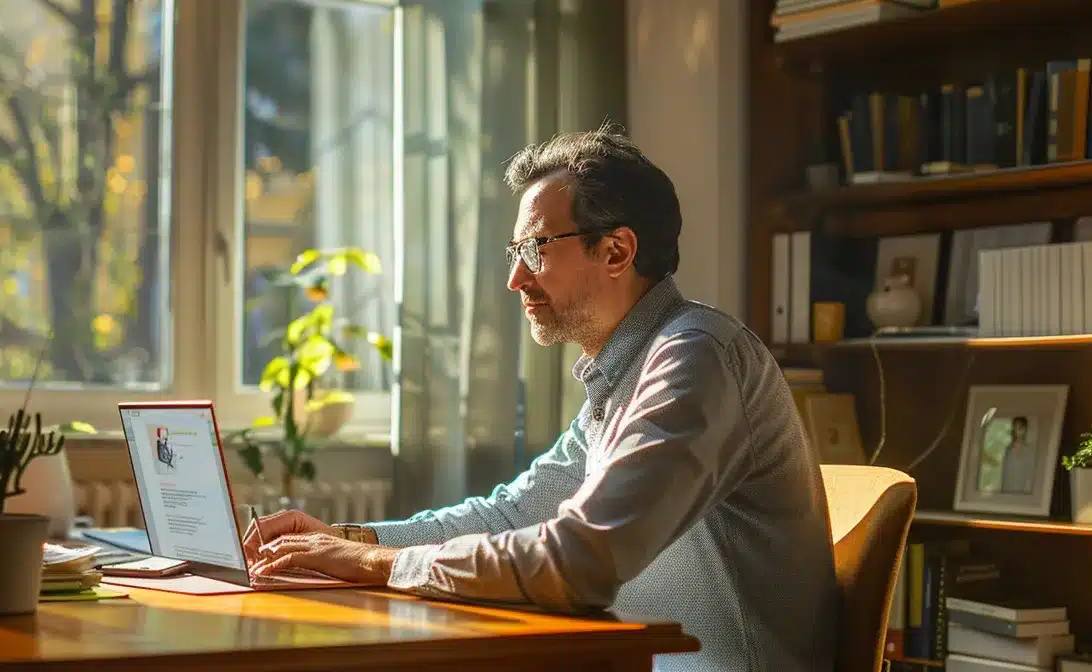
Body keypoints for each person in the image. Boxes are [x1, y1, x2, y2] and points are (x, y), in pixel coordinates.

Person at [241, 126, 840, 671]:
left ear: (616, 251)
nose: (516, 279)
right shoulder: (624, 374)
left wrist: (379, 566)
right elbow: (514, 512)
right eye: (515, 254)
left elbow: (580, 561)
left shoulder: (696, 358)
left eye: (535, 250)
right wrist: (351, 541)